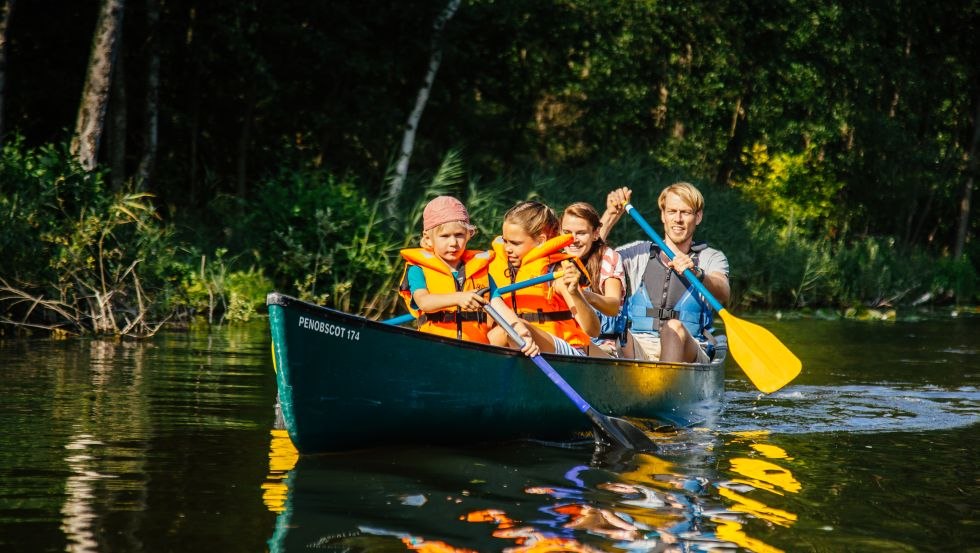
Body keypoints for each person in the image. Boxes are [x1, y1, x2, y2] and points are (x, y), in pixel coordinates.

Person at [600, 183, 730, 363]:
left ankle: (665, 387)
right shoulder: (639, 253)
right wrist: (611, 216)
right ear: (663, 215)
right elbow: (594, 258)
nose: (678, 219)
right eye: (672, 211)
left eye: (685, 212)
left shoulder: (710, 257)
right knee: (616, 333)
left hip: (689, 348)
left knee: (673, 327)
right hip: (639, 346)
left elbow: (723, 290)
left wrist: (697, 272)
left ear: (698, 217)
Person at [487, 200, 600, 357]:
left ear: (541, 241)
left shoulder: (557, 271)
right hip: (523, 347)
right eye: (505, 241)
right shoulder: (495, 267)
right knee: (497, 333)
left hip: (567, 354)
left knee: (509, 329)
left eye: (515, 243)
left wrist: (574, 293)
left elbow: (593, 330)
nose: (507, 249)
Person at [398, 196, 494, 343]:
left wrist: (519, 330)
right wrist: (458, 297)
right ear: (428, 238)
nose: (453, 243)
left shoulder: (483, 269)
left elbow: (499, 304)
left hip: (477, 349)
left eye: (459, 235)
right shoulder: (417, 270)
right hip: (436, 347)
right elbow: (424, 302)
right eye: (445, 236)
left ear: (468, 235)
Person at [560, 202, 627, 356]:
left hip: (603, 345)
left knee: (578, 347)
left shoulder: (607, 257)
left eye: (581, 233)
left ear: (595, 234)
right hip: (566, 339)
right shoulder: (556, 259)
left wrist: (584, 296)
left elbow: (613, 306)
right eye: (567, 232)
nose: (573, 239)